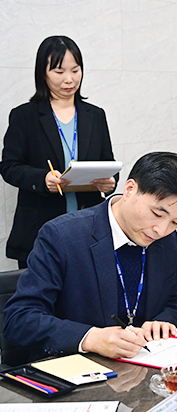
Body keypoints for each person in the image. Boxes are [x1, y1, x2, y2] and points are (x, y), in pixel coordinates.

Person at [3, 152, 177, 365]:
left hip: (143, 366)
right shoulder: (63, 236)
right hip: (78, 370)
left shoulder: (166, 239)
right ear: (130, 189)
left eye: (175, 222)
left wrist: (162, 322)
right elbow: (19, 319)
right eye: (157, 214)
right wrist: (89, 338)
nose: (161, 230)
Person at [0, 36, 117, 269]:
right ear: (42, 73)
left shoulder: (95, 115)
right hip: (39, 229)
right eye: (59, 71)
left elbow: (107, 162)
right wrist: (42, 179)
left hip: (88, 228)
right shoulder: (24, 116)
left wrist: (110, 182)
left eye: (75, 70)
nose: (69, 79)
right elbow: (9, 166)